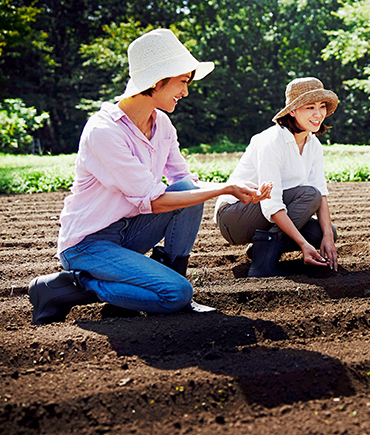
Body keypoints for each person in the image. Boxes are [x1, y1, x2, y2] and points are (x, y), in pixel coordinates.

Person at [28, 28, 272, 325]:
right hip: (87, 244)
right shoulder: (104, 131)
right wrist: (225, 188)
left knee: (187, 193)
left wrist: (230, 189)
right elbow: (154, 200)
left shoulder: (162, 124)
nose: (185, 92)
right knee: (175, 295)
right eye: (182, 82)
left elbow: (185, 183)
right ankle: (70, 285)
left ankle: (163, 276)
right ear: (157, 82)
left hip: (128, 231)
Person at [215, 77, 339, 277]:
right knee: (309, 195)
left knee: (326, 232)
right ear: (292, 110)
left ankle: (261, 249)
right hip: (235, 216)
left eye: (322, 106)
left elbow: (322, 193)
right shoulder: (271, 141)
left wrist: (328, 239)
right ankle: (262, 263)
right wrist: (303, 245)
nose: (318, 114)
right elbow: (271, 204)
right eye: (310, 107)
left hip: (267, 213)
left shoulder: (313, 144)